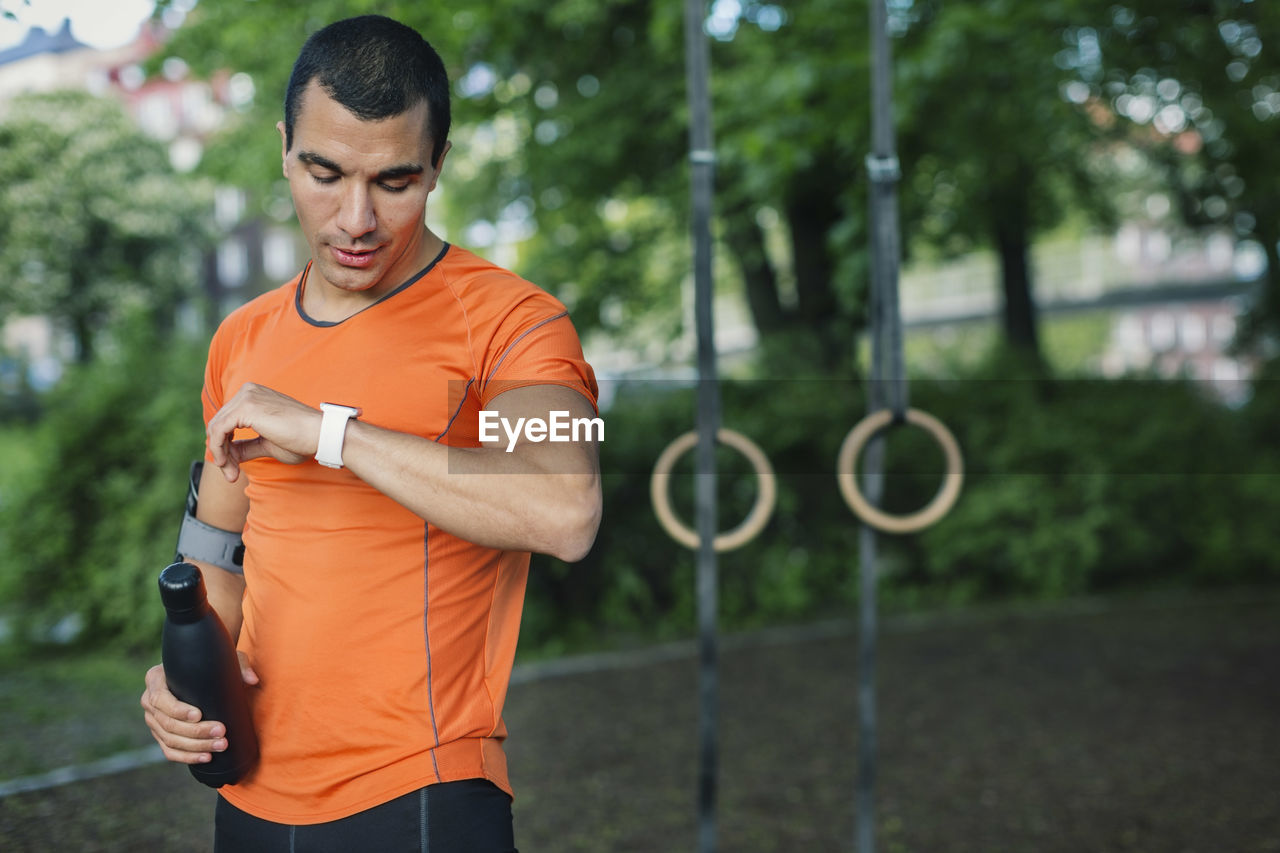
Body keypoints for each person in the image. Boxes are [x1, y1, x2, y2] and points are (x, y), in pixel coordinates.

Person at [139, 15, 601, 852]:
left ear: (438, 168)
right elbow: (216, 549)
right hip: (249, 791)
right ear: (285, 148)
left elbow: (565, 507)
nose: (356, 218)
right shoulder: (242, 339)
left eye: (395, 181)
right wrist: (182, 674)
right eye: (325, 172)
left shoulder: (515, 323)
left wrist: (329, 432)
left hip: (421, 790)